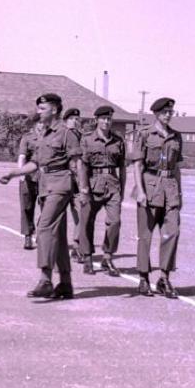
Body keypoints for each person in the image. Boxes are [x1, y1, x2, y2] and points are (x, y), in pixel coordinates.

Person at [0, 93, 81, 299]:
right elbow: (35, 163)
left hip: (61, 185)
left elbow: (78, 163)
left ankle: (45, 279)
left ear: (54, 110)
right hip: (46, 185)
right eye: (38, 108)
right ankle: (66, 283)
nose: (38, 112)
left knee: (44, 228)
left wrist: (84, 191)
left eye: (42, 109)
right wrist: (13, 173)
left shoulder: (66, 133)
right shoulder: (44, 134)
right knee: (58, 234)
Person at [130, 97, 183, 298]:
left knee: (173, 232)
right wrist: (141, 191)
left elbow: (177, 167)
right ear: (156, 114)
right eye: (164, 112)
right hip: (149, 187)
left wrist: (180, 193)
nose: (168, 115)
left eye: (171, 112)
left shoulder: (176, 137)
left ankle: (164, 278)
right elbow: (137, 165)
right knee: (145, 236)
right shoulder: (144, 134)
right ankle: (143, 278)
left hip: (170, 188)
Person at [78, 105, 127, 276]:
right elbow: (82, 165)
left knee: (115, 222)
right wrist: (83, 189)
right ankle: (87, 258)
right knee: (86, 222)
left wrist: (122, 188)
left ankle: (107, 256)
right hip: (92, 185)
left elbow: (122, 167)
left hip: (113, 185)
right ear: (97, 120)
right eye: (103, 118)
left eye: (109, 119)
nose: (107, 122)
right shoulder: (87, 140)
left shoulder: (118, 140)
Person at [16, 113, 43, 250]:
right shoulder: (27, 138)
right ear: (35, 124)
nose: (42, 125)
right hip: (29, 177)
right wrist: (21, 174)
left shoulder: (52, 137)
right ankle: (27, 236)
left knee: (47, 208)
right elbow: (22, 156)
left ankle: (41, 233)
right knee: (27, 208)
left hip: (46, 179)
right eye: (40, 122)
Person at [63, 107, 84, 262]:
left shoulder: (79, 135)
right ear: (66, 120)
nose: (75, 121)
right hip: (65, 180)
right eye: (72, 119)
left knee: (81, 214)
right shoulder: (63, 135)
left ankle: (76, 246)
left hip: (75, 181)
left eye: (77, 119)